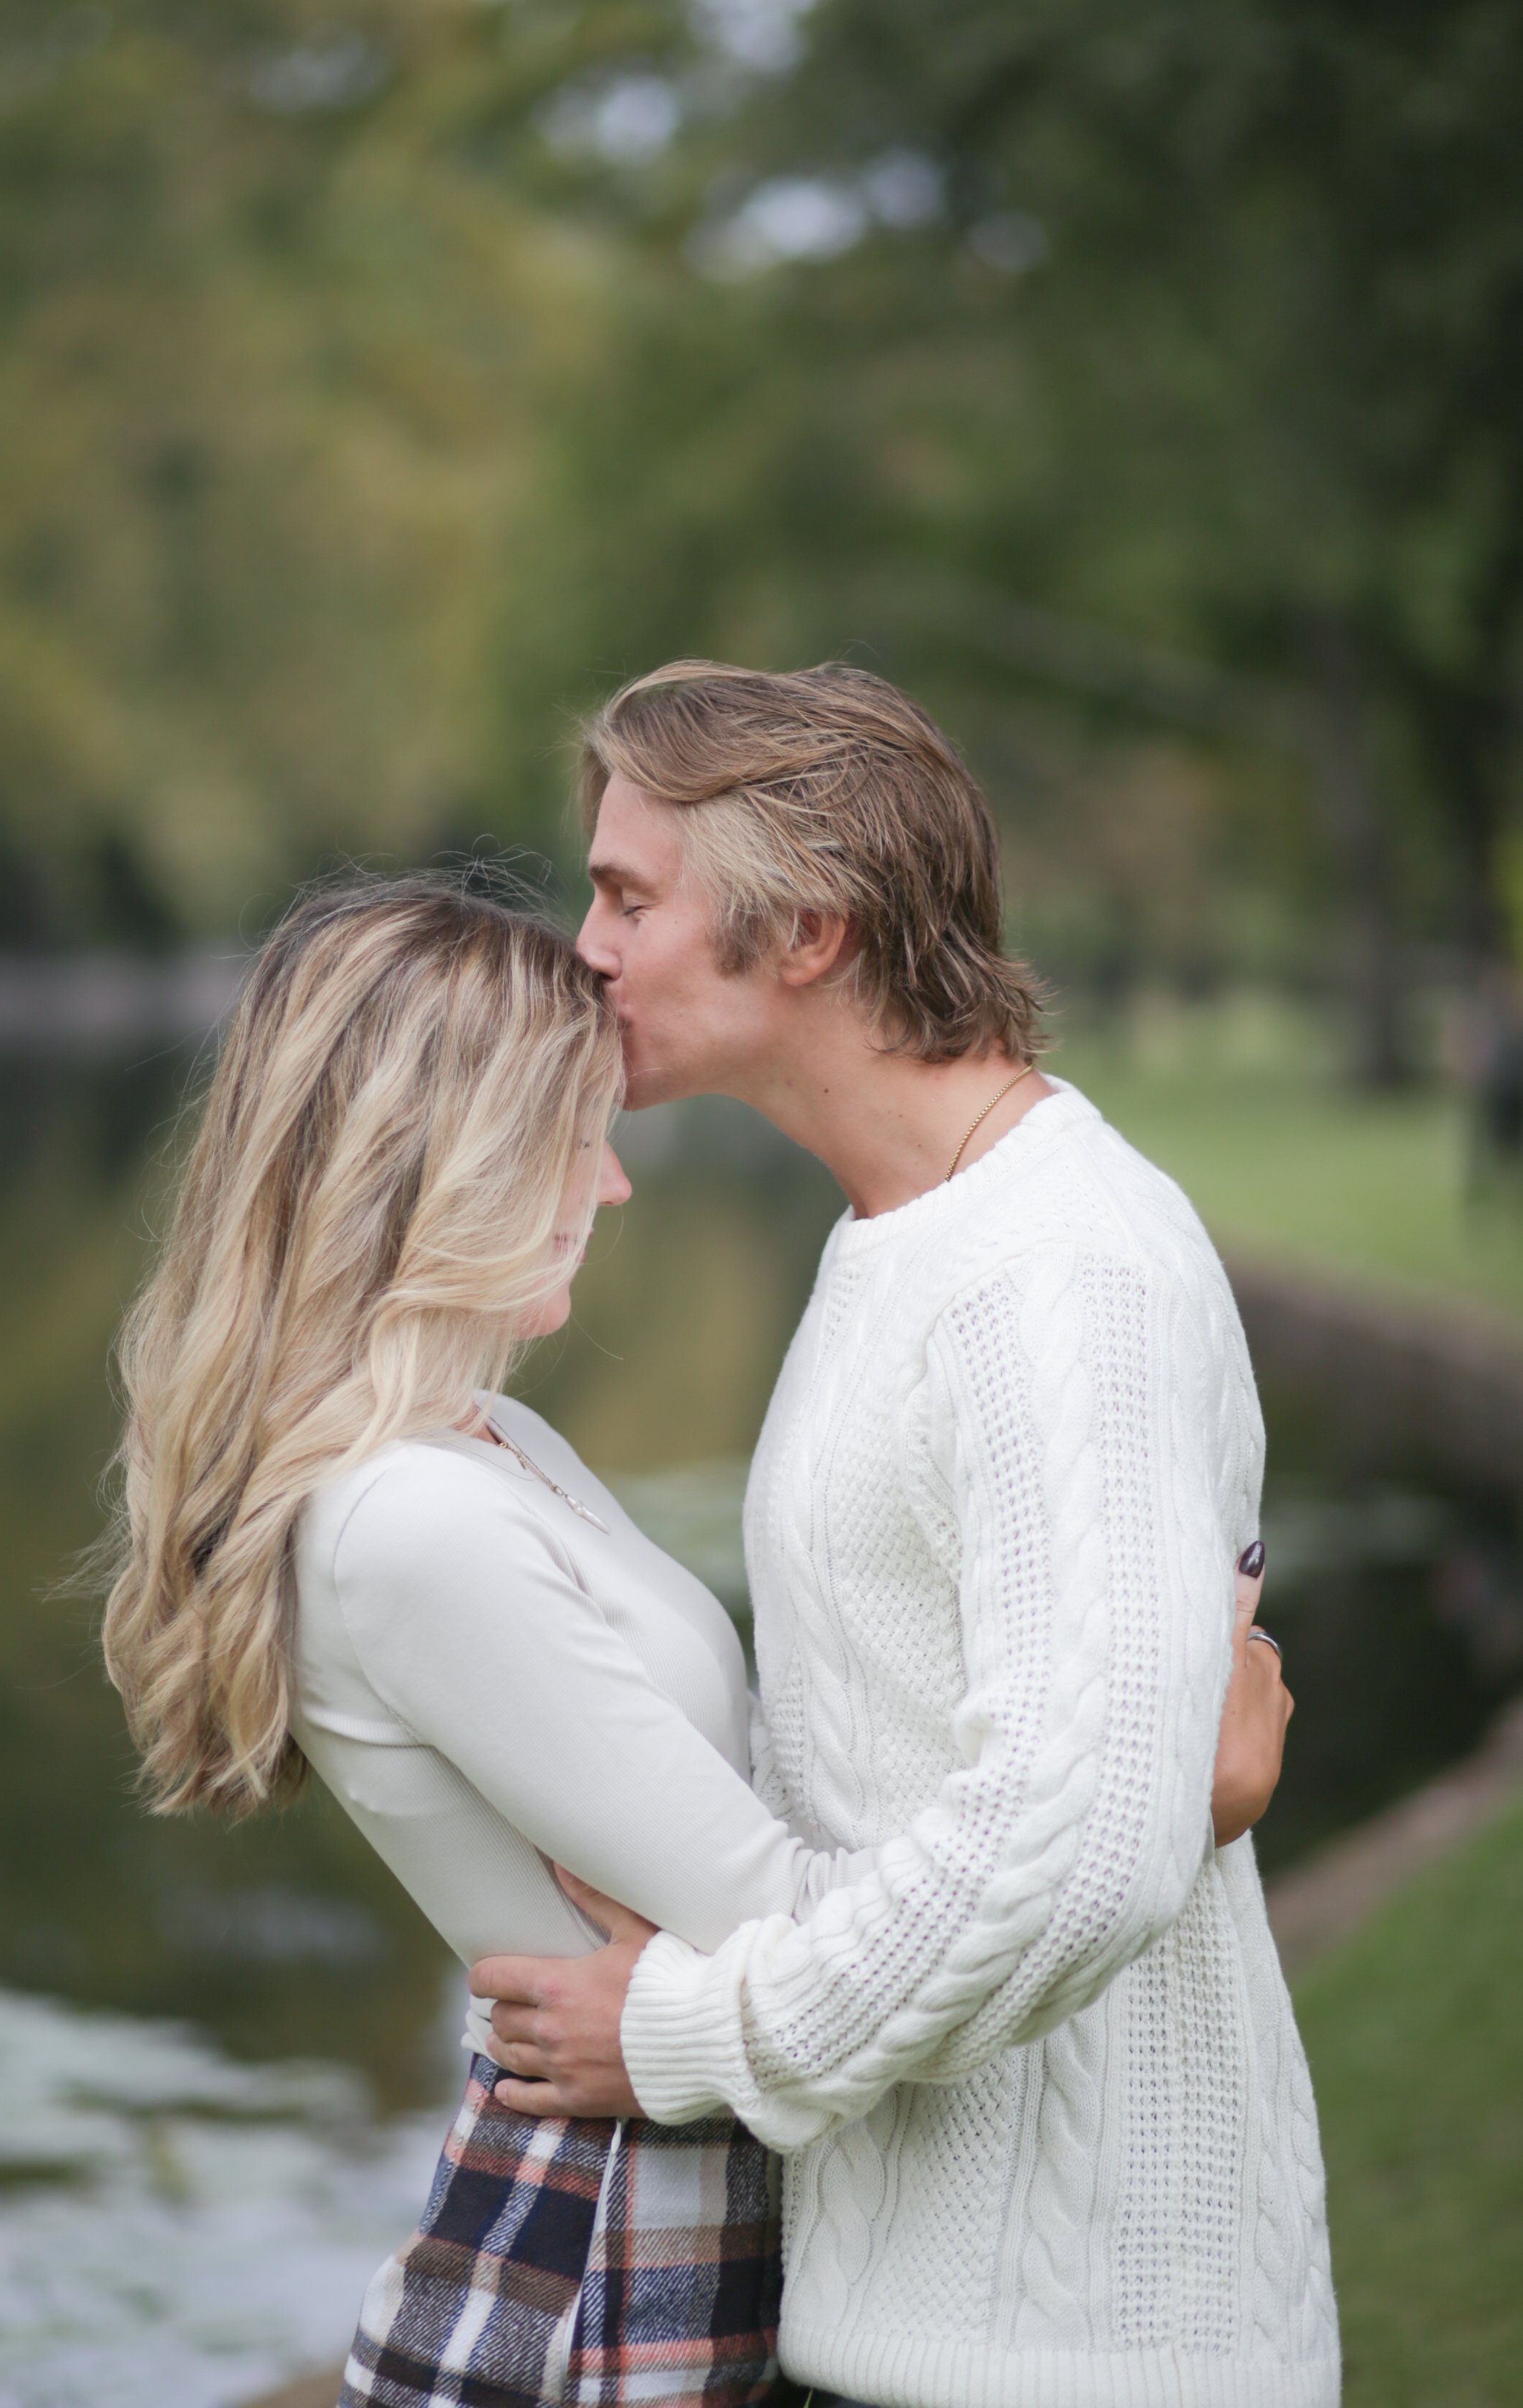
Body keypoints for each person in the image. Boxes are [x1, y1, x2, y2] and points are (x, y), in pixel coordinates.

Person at [97, 867, 1291, 2408]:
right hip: (617, 2242)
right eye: (570, 1137)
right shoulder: (407, 1525)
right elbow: (770, 1914)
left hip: (723, 2174)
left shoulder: (489, 1446)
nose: (610, 1185)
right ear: (436, 1158)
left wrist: (1095, 1733)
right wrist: (1155, 1790)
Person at [471, 661, 1336, 2408]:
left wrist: (692, 2032)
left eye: (630, 898)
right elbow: (1029, 1782)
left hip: (1083, 2356)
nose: (587, 949)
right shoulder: (907, 1242)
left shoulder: (1058, 1272)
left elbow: (1075, 1850)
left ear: (807, 932)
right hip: (920, 2323)